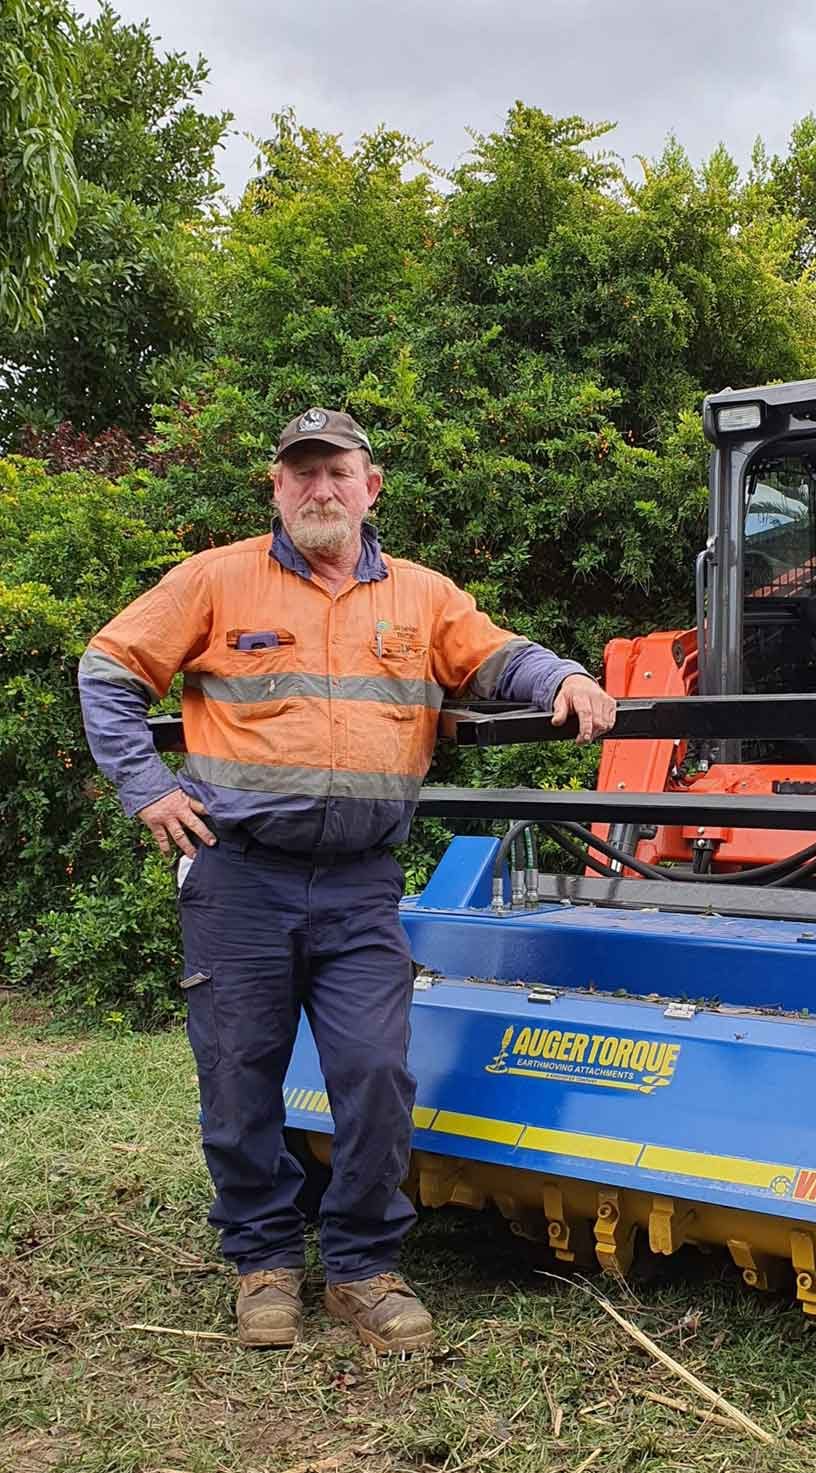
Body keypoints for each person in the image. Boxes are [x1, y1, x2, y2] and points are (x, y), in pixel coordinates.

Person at [78, 408, 617, 1352]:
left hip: (361, 882)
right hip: (237, 877)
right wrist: (145, 788)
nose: (319, 489)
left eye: (338, 473)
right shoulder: (215, 579)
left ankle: (364, 1269)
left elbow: (498, 656)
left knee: (373, 1071)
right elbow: (109, 668)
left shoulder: (421, 596)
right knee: (239, 1075)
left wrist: (563, 678)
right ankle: (263, 1264)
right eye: (301, 474)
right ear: (276, 489)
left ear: (372, 488)